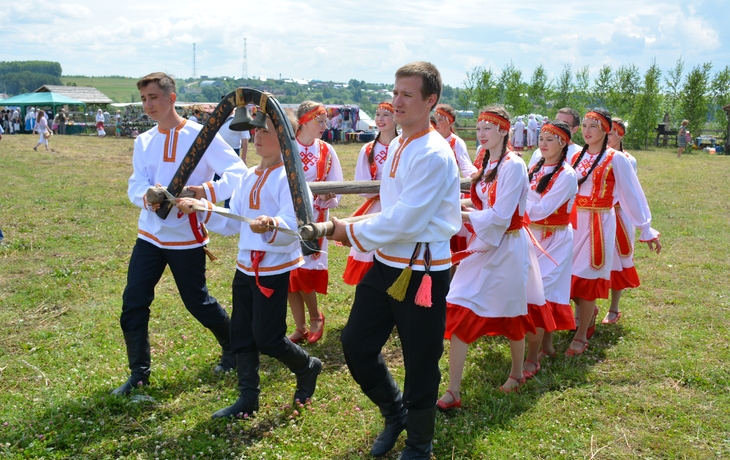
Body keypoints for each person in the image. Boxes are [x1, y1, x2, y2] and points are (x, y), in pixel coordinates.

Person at [330, 61, 461, 459]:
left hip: (422, 272)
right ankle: (395, 412)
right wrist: (351, 227)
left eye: (407, 94)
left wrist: (349, 231)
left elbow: (406, 219)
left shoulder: (434, 153)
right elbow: (392, 210)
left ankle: (419, 445)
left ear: (430, 100)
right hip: (386, 264)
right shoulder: (401, 144)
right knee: (355, 345)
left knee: (420, 360)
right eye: (395, 92)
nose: (397, 101)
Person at [175, 112, 322, 419]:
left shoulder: (291, 180)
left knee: (268, 338)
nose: (257, 136)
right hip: (245, 266)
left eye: (265, 131)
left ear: (285, 139)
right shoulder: (248, 176)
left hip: (272, 269)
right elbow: (234, 222)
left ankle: (307, 366)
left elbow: (296, 223)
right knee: (241, 333)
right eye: (255, 130)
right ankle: (248, 398)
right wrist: (203, 208)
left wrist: (272, 223)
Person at [111, 72, 247, 396]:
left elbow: (238, 172)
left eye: (153, 97)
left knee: (197, 302)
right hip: (150, 235)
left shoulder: (201, 136)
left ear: (171, 98)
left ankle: (234, 347)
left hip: (186, 236)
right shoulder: (144, 141)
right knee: (133, 301)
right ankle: (139, 374)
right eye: (143, 99)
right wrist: (147, 196)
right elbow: (136, 183)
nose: (148, 105)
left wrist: (205, 191)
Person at [438, 106, 539, 407]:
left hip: (507, 245)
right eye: (479, 128)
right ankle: (453, 390)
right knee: (458, 302)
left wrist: (462, 214)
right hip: (483, 242)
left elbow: (502, 215)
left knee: (510, 310)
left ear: (504, 131)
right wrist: (459, 204)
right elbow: (483, 202)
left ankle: (517, 373)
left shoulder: (514, 165)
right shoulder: (485, 160)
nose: (480, 134)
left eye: (487, 128)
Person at [567, 109, 661, 356]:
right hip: (575, 222)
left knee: (588, 277)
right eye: (584, 126)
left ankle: (581, 335)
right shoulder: (576, 156)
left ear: (605, 130)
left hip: (599, 223)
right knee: (568, 276)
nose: (587, 131)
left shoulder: (616, 159)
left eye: (593, 126)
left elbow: (632, 193)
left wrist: (645, 227)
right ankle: (588, 314)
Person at [522, 120, 578, 377]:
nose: (543, 144)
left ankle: (531, 358)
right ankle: (546, 345)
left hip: (554, 241)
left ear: (563, 143)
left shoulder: (567, 175)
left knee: (540, 293)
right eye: (541, 138)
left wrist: (519, 197)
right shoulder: (534, 167)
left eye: (550, 139)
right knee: (536, 291)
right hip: (531, 237)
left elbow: (541, 210)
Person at [342, 101, 398, 286]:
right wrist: (384, 189)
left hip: (399, 207)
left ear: (396, 118)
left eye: (386, 115)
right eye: (377, 114)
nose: (380, 119)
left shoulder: (404, 146)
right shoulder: (368, 149)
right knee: (370, 253)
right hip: (376, 207)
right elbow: (362, 184)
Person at [603, 118, 639, 325]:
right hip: (599, 214)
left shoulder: (627, 159)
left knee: (619, 258)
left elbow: (631, 191)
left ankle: (614, 308)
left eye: (610, 133)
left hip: (620, 214)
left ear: (620, 135)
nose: (606, 137)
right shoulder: (595, 157)